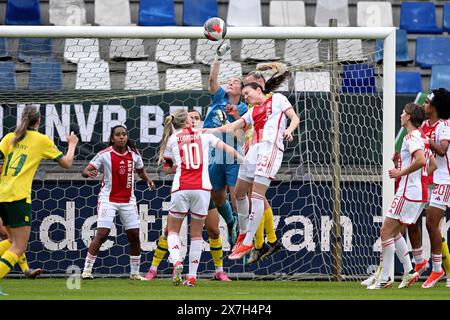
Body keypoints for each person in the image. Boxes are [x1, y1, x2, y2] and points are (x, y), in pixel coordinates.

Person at [205, 82, 299, 260]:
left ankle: (249, 241)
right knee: (240, 193)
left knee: (257, 195)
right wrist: (206, 130)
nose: (245, 97)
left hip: (270, 148)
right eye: (244, 95)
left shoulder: (278, 99)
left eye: (247, 93)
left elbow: (294, 117)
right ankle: (242, 233)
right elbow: (231, 127)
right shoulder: (252, 111)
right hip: (254, 150)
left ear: (259, 90)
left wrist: (288, 130)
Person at [144, 109, 232, 282]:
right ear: (186, 122)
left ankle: (219, 271)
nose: (194, 120)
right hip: (193, 186)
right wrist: (184, 165)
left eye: (197, 118)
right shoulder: (186, 140)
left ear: (200, 121)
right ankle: (153, 268)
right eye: (191, 118)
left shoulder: (207, 136)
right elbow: (167, 168)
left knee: (214, 231)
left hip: (206, 189)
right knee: (170, 230)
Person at [0, 105, 79, 295]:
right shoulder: (41, 140)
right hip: (18, 196)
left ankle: (24, 270)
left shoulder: (9, 137)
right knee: (19, 246)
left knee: (11, 241)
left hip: (2, 194)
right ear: (39, 121)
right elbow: (67, 163)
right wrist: (72, 144)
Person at [81, 125, 155, 281]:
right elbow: (86, 170)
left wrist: (147, 180)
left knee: (134, 235)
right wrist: (88, 173)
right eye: (118, 135)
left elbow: (140, 171)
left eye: (124, 134)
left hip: (128, 201)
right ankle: (86, 270)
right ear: (112, 138)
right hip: (108, 199)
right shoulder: (104, 154)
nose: (122, 137)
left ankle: (134, 273)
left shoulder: (134, 154)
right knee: (102, 234)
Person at [367, 103, 428, 289]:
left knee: (385, 232)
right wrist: (399, 163)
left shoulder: (412, 137)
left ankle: (385, 278)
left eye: (403, 112)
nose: (401, 115)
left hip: (407, 192)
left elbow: (422, 160)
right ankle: (408, 271)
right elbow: (427, 162)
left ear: (409, 116)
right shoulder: (420, 136)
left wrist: (400, 173)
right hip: (414, 191)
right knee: (393, 233)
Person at [241, 65, 288, 264]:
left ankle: (260, 244)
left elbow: (283, 71)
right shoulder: (252, 103)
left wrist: (269, 66)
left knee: (255, 197)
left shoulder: (271, 99)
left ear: (259, 85)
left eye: (247, 86)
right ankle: (269, 241)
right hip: (253, 148)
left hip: (265, 149)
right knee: (255, 198)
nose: (245, 90)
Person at [202, 42, 248, 248]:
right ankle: (230, 223)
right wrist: (218, 58)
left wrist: (235, 118)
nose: (231, 83)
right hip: (212, 155)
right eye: (229, 80)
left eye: (235, 81)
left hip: (233, 156)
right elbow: (212, 79)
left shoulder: (244, 108)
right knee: (218, 198)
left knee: (236, 196)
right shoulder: (219, 97)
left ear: (242, 89)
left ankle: (243, 238)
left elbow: (241, 137)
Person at [422, 88, 450, 288]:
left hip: (444, 180)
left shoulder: (445, 126)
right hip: (428, 180)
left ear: (435, 106)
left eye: (427, 101)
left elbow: (441, 150)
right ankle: (445, 271)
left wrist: (425, 140)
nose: (424, 104)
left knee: (431, 224)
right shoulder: (424, 125)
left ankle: (437, 268)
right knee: (431, 226)